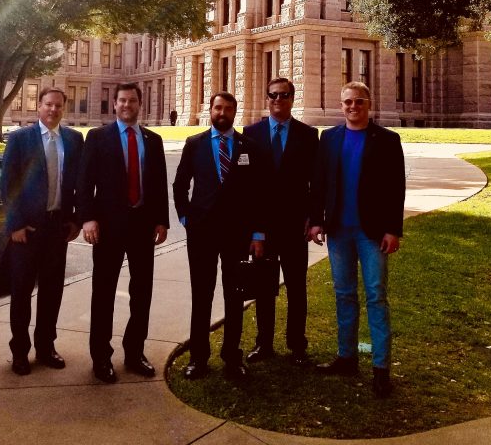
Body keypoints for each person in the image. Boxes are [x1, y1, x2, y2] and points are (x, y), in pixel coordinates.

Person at [309, 81, 405, 397]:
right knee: (344, 295)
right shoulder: (330, 138)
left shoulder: (387, 140)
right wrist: (316, 222)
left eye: (359, 102)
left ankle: (380, 369)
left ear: (369, 104)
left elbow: (395, 188)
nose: (353, 107)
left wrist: (393, 229)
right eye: (348, 102)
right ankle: (347, 357)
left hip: (372, 233)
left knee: (376, 297)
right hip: (339, 231)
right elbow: (319, 184)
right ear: (342, 105)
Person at [78, 83, 169, 382]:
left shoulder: (152, 140)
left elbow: (158, 185)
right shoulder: (97, 137)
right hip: (107, 228)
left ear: (139, 104)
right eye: (121, 100)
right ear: (114, 105)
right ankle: (101, 358)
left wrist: (161, 221)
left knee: (141, 293)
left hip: (142, 227)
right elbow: (84, 182)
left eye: (132, 100)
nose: (126, 105)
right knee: (103, 293)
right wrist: (88, 218)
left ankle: (134, 353)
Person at [173, 91, 266, 381]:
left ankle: (231, 357)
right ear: (210, 110)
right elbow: (179, 185)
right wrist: (187, 218)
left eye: (227, 108)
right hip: (201, 233)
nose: (221, 112)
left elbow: (259, 195)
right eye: (217, 107)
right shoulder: (195, 144)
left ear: (234, 112)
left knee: (233, 296)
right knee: (202, 295)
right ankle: (198, 359)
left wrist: (257, 233)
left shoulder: (248, 146)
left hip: (236, 235)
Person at [1, 87, 83, 376]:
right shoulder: (21, 138)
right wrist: (15, 225)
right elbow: (8, 184)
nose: (53, 110)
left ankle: (46, 347)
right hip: (27, 230)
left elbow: (78, 185)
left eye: (58, 106)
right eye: (48, 104)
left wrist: (75, 220)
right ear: (39, 106)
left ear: (64, 108)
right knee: (21, 293)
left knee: (52, 292)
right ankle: (20, 353)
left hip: (56, 228)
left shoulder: (73, 139)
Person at [243, 77, 319, 366]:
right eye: (273, 95)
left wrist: (314, 218)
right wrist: (253, 230)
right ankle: (264, 344)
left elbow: (316, 182)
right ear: (267, 98)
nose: (278, 100)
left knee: (297, 288)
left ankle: (297, 345)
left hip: (295, 226)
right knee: (264, 289)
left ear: (292, 98)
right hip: (263, 229)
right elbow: (246, 188)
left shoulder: (308, 135)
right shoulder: (251, 134)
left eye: (284, 95)